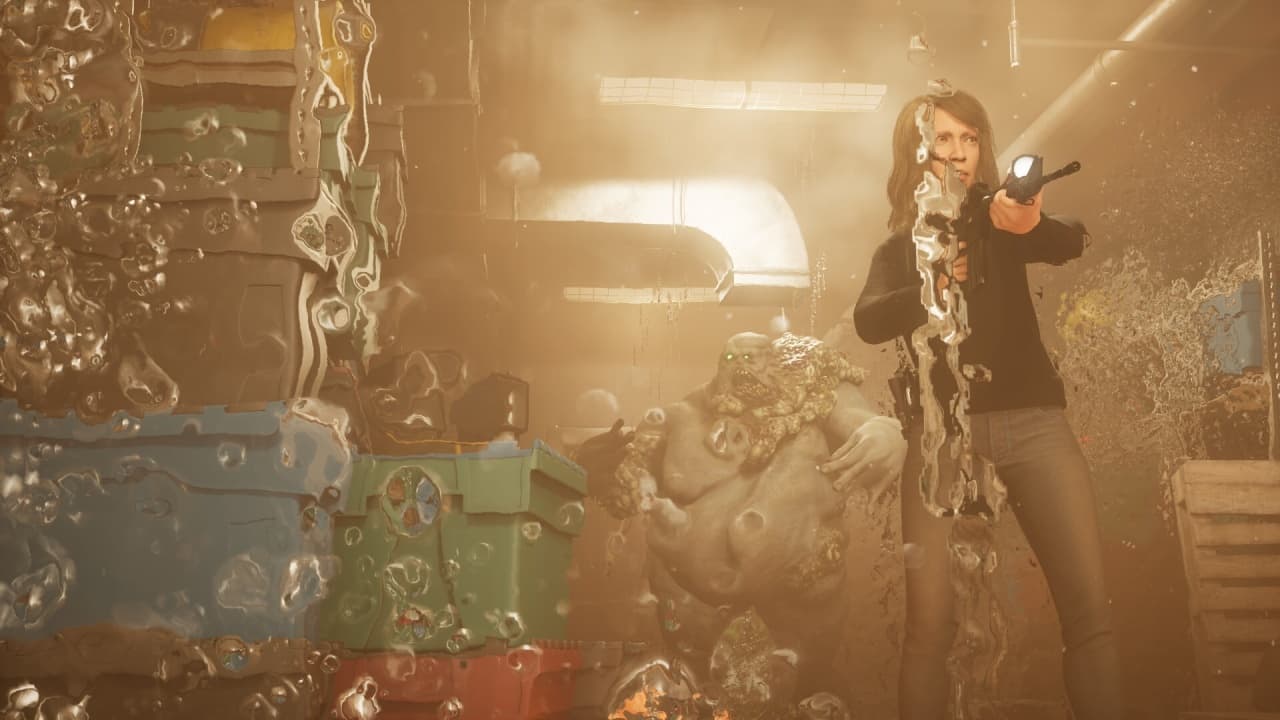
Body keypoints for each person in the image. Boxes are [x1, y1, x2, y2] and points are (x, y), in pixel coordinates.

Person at [853, 87, 1125, 719]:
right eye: (941, 139)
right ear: (916, 153)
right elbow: (869, 320)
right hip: (941, 436)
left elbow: (1071, 239)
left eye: (969, 139)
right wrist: (930, 285)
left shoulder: (1001, 220)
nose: (957, 152)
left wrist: (1029, 223)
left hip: (1034, 425)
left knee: (1089, 614)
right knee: (929, 629)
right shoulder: (899, 248)